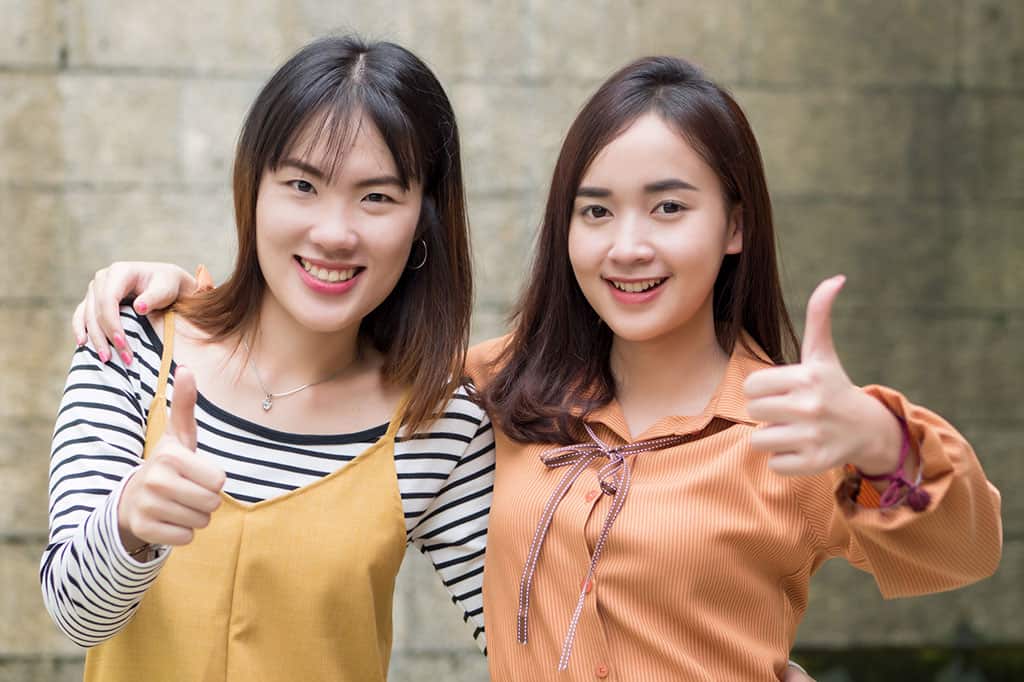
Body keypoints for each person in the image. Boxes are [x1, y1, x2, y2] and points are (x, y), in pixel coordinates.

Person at [71, 55, 978, 682]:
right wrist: (183, 293)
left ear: (735, 226)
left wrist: (885, 439)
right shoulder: (502, 393)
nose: (628, 246)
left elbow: (962, 554)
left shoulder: (792, 423)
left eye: (669, 208)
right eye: (595, 211)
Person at [43, 36, 493, 682]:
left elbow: (532, 637)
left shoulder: (438, 421)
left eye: (377, 197)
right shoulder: (132, 341)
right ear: (253, 189)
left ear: (424, 219)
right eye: (303, 185)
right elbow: (74, 614)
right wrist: (130, 519)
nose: (334, 232)